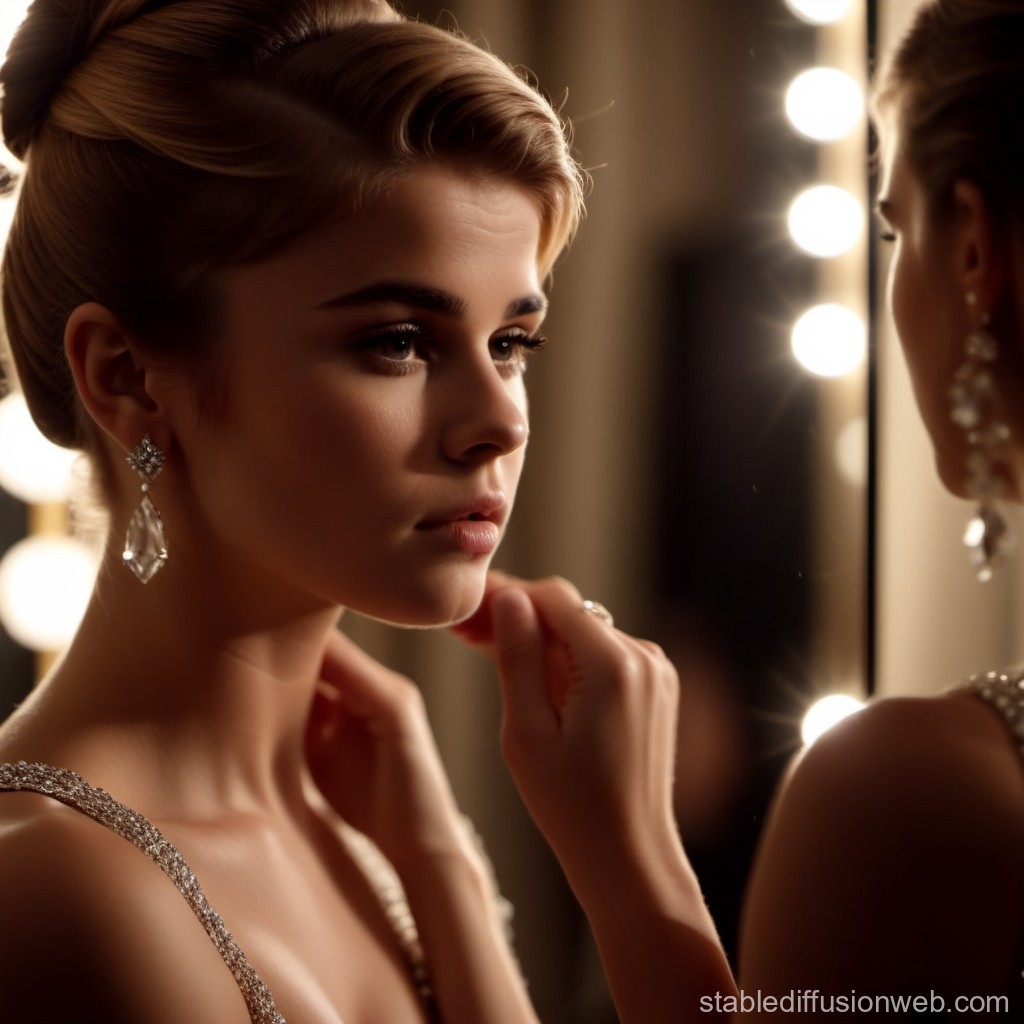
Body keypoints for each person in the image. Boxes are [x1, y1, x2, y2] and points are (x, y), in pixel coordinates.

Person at [0, 1, 702, 1021]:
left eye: (512, 343)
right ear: (127, 378)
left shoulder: (380, 841)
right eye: (399, 341)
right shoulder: (58, 890)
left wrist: (443, 872)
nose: (499, 421)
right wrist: (637, 875)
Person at [457, 0, 1024, 1019]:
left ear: (974, 250)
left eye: (892, 227)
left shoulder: (912, 798)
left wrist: (626, 856)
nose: (495, 421)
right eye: (398, 340)